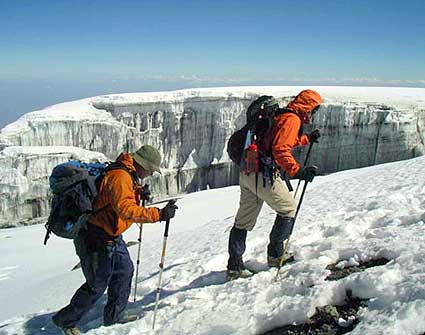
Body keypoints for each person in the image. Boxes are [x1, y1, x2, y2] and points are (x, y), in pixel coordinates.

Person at [52, 145, 178, 335]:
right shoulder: (120, 176)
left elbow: (118, 200)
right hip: (94, 236)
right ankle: (65, 320)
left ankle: (114, 315)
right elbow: (125, 210)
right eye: (151, 169)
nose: (151, 173)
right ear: (142, 164)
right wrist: (158, 214)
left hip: (110, 234)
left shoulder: (128, 174)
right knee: (97, 283)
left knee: (124, 270)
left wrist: (138, 194)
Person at [227, 89, 323, 279]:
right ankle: (276, 255)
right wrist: (299, 171)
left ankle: (234, 267)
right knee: (288, 209)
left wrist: (306, 139)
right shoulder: (292, 120)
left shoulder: (282, 116)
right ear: (307, 107)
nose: (313, 115)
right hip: (263, 176)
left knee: (243, 222)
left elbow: (280, 141)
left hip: (248, 173)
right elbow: (280, 150)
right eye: (314, 110)